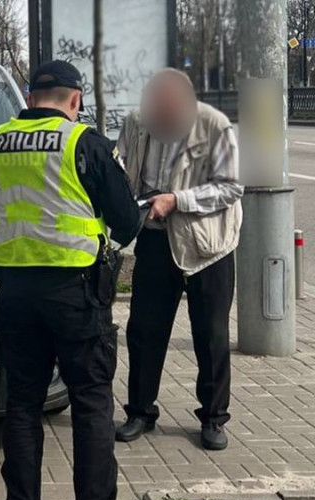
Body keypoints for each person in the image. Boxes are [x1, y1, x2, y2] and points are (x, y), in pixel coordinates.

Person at [0, 60, 146, 500]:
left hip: (16, 293)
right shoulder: (84, 143)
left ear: (29, 98)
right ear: (75, 99)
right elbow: (128, 222)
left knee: (22, 401)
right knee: (90, 401)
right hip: (76, 294)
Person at [114, 69, 243, 451]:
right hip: (155, 236)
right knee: (143, 330)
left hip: (209, 245)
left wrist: (178, 200)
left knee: (211, 335)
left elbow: (233, 186)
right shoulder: (137, 124)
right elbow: (121, 170)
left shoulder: (215, 126)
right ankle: (140, 411)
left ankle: (214, 418)